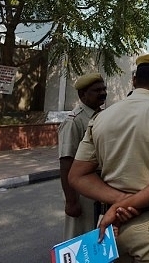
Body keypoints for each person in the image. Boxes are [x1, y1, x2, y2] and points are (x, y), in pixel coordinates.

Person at [69, 54, 149, 263]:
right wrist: (125, 204)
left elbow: (77, 175)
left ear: (134, 80)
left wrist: (117, 203)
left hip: (112, 227)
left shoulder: (100, 118)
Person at [57, 73, 107, 239]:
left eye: (104, 89)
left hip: (102, 186)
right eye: (96, 90)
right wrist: (71, 201)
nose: (102, 93)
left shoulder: (103, 116)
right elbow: (66, 162)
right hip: (82, 190)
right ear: (82, 94)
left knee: (99, 233)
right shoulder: (74, 121)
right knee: (81, 235)